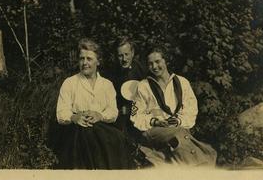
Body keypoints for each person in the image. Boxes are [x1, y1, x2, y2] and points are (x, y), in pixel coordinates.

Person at [130, 46, 217, 167]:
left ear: (166, 60)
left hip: (178, 128)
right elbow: (136, 117)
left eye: (157, 61)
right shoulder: (143, 86)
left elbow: (191, 110)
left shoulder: (182, 82)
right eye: (150, 64)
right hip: (154, 131)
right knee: (180, 135)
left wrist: (178, 121)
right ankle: (200, 164)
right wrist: (155, 122)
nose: (154, 67)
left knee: (179, 136)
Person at [55, 38, 134, 169]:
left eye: (89, 59)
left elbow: (113, 112)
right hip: (76, 133)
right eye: (81, 58)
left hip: (103, 131)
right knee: (86, 133)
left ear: (98, 61)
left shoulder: (107, 85)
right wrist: (74, 117)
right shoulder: (70, 83)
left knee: (117, 138)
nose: (84, 63)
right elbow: (61, 112)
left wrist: (99, 115)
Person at [108, 37, 146, 134]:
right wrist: (120, 109)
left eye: (126, 54)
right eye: (120, 56)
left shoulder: (142, 69)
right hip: (121, 114)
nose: (124, 59)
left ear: (132, 53)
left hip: (141, 111)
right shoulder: (111, 73)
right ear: (115, 56)